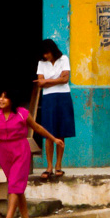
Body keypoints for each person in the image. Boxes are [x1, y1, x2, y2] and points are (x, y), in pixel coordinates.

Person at [0, 89, 63, 218]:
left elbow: (37, 127)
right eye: (0, 97)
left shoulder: (22, 113)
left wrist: (53, 139)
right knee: (17, 187)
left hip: (21, 150)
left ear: (12, 100)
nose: (1, 100)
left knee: (14, 184)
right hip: (4, 152)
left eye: (5, 97)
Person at [35, 39, 75, 179]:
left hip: (63, 97)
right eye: (44, 54)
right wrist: (54, 80)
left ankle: (58, 165)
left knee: (61, 131)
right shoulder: (41, 63)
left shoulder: (64, 59)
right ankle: (49, 166)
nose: (45, 56)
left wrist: (47, 81)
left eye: (47, 53)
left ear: (52, 50)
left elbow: (65, 79)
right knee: (48, 133)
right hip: (49, 98)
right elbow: (41, 83)